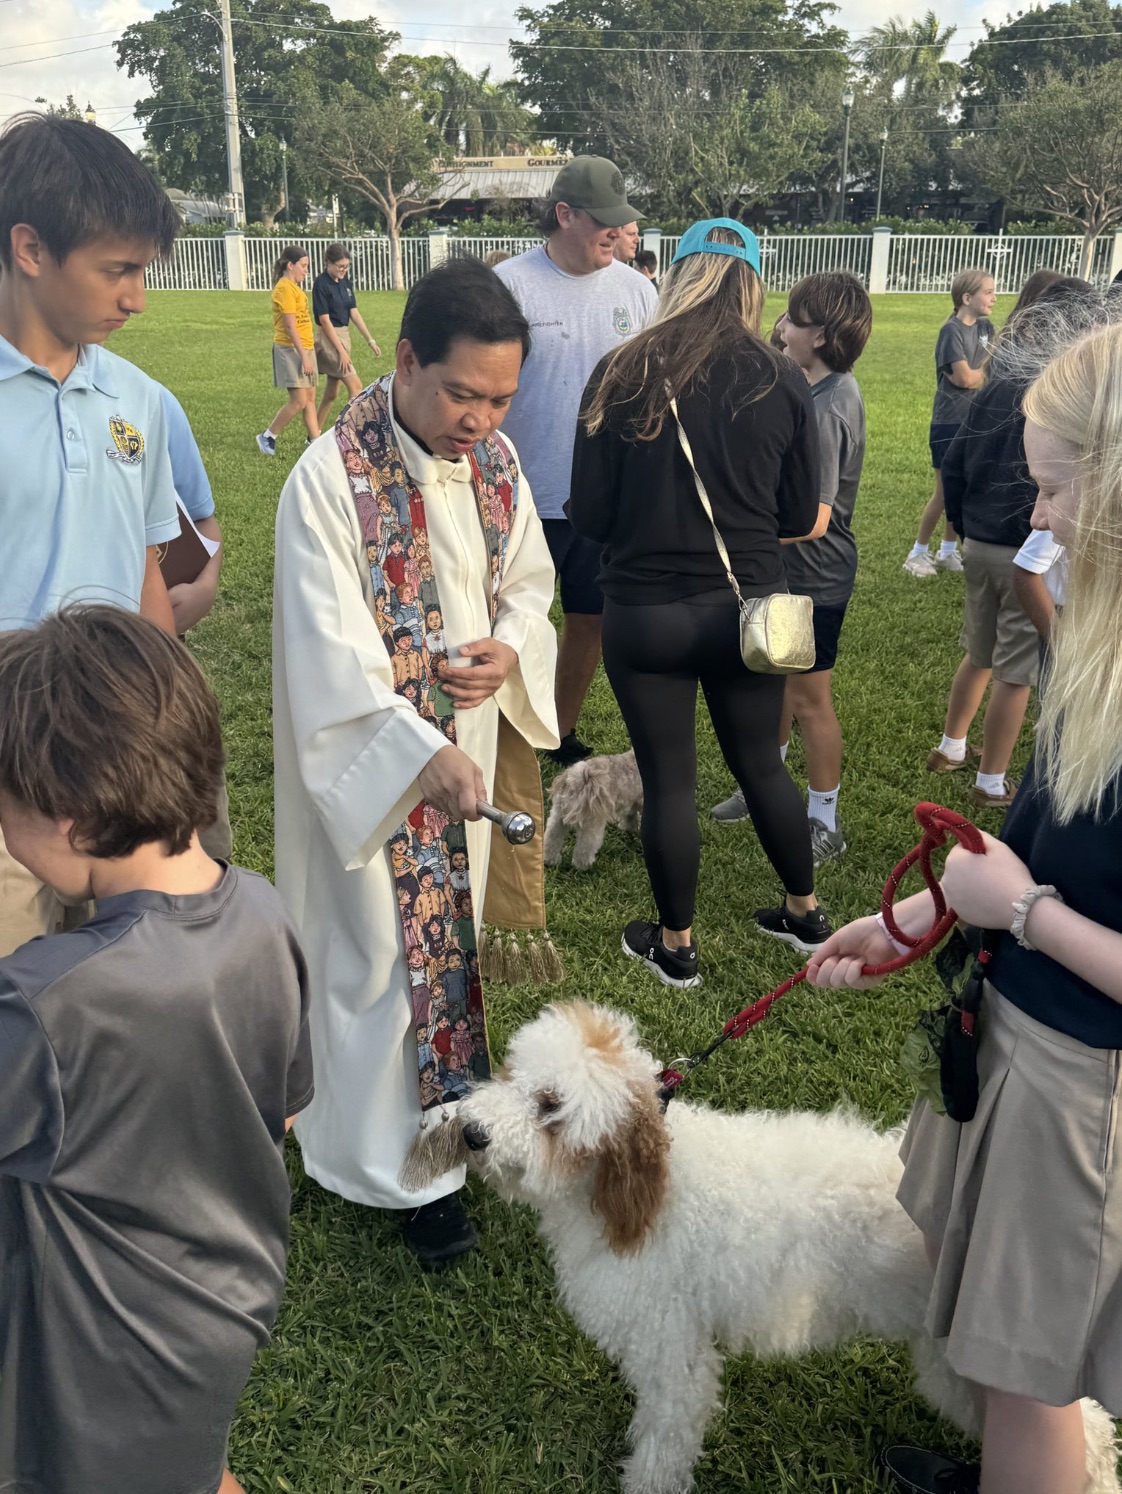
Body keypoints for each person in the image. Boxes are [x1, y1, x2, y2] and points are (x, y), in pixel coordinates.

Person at [807, 317, 1122, 1494]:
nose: (1035, 519)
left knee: (1031, 1366)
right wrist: (914, 917)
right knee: (987, 1321)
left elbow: (1031, 885)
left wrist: (1025, 912)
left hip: (1085, 1084)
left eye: (1052, 491)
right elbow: (1030, 846)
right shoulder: (1106, 646)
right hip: (1014, 1033)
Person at [273, 256, 558, 1265]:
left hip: (464, 758)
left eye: (501, 397)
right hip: (374, 776)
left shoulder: (495, 462)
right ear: (403, 361)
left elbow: (528, 576)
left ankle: (437, 1150)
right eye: (462, 393)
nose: (481, 418)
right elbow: (328, 651)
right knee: (377, 964)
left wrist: (512, 645)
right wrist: (413, 749)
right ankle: (373, 1164)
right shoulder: (326, 483)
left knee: (449, 961)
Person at [0, 604, 313, 1494]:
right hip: (224, 1308)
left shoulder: (45, 1003)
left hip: (98, 1361)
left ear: (66, 820)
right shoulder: (262, 911)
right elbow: (284, 1106)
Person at [568, 220, 831, 987]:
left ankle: (677, 944)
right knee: (762, 767)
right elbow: (794, 516)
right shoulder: (780, 377)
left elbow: (588, 514)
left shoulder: (621, 370)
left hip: (645, 612)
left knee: (670, 779)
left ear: (677, 275)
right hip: (748, 609)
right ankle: (804, 910)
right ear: (749, 285)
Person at [0, 111, 183, 958]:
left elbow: (149, 568)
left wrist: (170, 729)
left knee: (116, 1004)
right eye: (117, 270)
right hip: (10, 783)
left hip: (116, 773)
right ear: (30, 249)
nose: (137, 298)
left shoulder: (139, 400)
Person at [494, 157, 657, 764]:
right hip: (517, 495)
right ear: (564, 215)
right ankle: (502, 731)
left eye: (622, 224)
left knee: (589, 619)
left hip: (602, 502)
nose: (617, 235)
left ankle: (557, 731)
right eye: (604, 224)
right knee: (514, 623)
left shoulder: (638, 293)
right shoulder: (510, 286)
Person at [711, 271, 871, 866]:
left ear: (822, 336)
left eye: (793, 319)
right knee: (773, 679)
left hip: (815, 579)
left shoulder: (831, 405)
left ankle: (824, 818)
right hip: (788, 573)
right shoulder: (811, 389)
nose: (780, 327)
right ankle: (763, 789)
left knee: (808, 699)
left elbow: (817, 518)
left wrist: (736, 529)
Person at [924, 274, 1093, 811]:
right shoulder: (1061, 398)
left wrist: (965, 527)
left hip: (977, 546)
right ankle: (991, 780)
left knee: (977, 652)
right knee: (1015, 676)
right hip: (1025, 553)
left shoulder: (995, 384)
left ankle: (951, 747)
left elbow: (954, 463)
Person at [903, 268, 996, 577]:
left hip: (975, 421)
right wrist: (986, 376)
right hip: (949, 424)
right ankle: (917, 553)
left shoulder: (987, 329)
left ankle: (947, 551)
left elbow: (989, 372)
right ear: (966, 298)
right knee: (944, 492)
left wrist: (983, 376)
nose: (994, 297)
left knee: (963, 490)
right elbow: (964, 377)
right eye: (988, 292)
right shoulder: (951, 331)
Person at [312, 241, 382, 430]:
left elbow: (354, 312)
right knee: (356, 387)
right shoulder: (321, 284)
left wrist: (370, 340)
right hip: (329, 338)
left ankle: (312, 435)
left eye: (347, 266)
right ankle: (351, 432)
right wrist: (341, 352)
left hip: (344, 335)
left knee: (332, 393)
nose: (344, 270)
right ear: (328, 263)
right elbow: (325, 321)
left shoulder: (345, 283)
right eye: (341, 266)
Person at [257, 244, 319, 456]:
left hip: (304, 348)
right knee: (299, 400)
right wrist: (304, 357)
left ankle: (315, 443)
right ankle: (267, 437)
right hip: (290, 350)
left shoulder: (295, 288)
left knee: (310, 397)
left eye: (307, 266)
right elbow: (290, 326)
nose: (306, 270)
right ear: (290, 265)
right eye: (303, 266)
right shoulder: (284, 288)